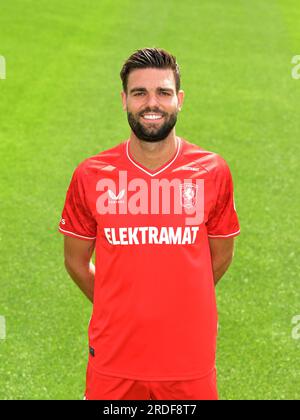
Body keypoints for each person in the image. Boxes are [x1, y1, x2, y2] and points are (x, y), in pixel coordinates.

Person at [58, 47, 240, 400]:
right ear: (124, 99)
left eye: (163, 92)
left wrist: (178, 301)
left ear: (180, 99)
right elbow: (75, 262)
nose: (151, 103)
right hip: (114, 359)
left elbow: (220, 257)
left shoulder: (213, 171)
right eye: (140, 93)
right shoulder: (90, 174)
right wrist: (120, 305)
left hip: (189, 359)